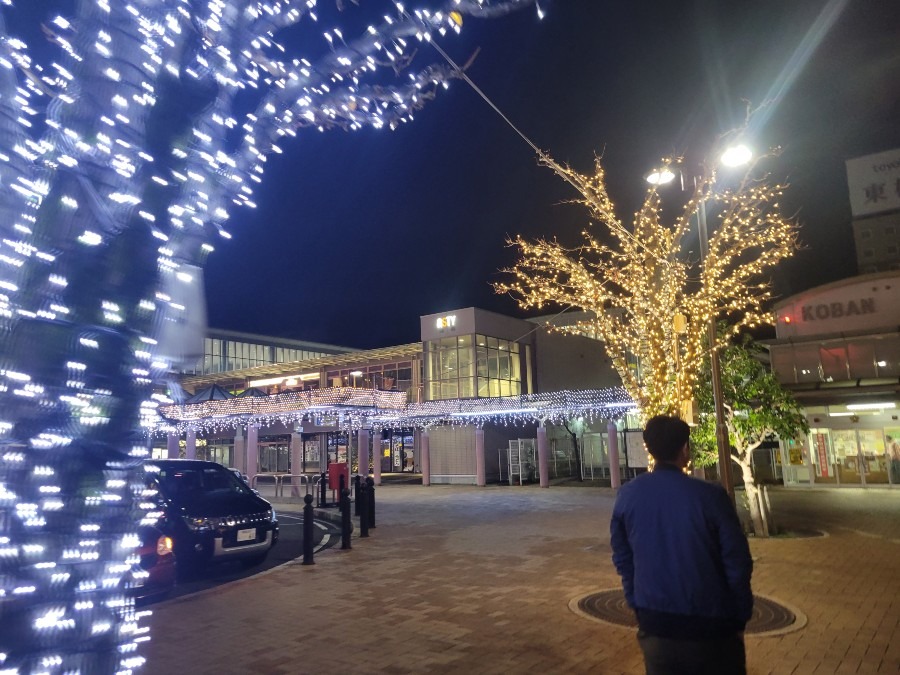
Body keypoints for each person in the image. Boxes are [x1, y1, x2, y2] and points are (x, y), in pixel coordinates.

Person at [610, 415, 753, 675]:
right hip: (711, 624)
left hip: (655, 622)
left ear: (650, 449)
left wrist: (635, 600)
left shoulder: (628, 495)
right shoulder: (710, 496)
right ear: (684, 449)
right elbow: (737, 561)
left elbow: (622, 557)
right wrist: (739, 614)